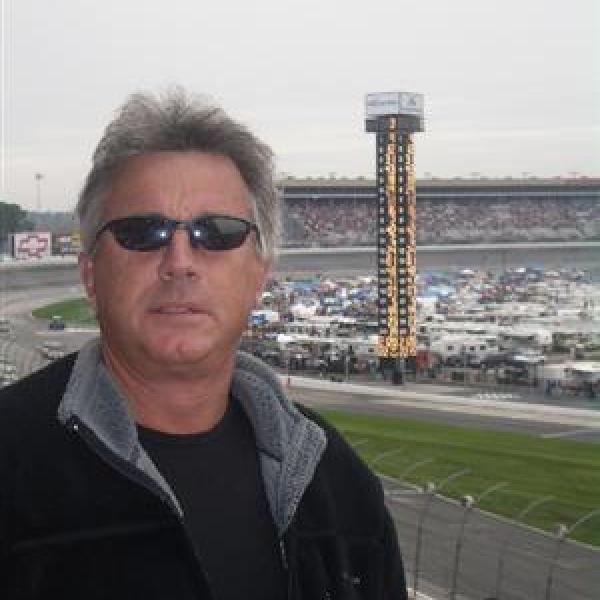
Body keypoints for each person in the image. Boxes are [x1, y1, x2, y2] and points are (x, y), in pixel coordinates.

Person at [0, 88, 408, 599]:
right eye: (141, 232)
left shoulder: (337, 484)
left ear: (259, 276)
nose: (180, 262)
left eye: (216, 232)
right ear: (90, 275)